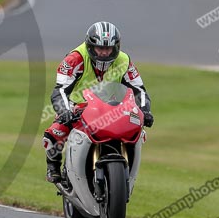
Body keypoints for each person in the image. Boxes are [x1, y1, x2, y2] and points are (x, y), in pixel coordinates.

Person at [43, 22, 154, 183]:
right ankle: (53, 165)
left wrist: (145, 110)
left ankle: (126, 175)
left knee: (137, 132)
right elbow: (60, 89)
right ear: (90, 46)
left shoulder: (124, 60)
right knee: (55, 132)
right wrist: (64, 111)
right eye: (99, 48)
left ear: (116, 47)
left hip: (114, 107)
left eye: (108, 49)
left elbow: (139, 89)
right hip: (78, 107)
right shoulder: (75, 58)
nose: (103, 53)